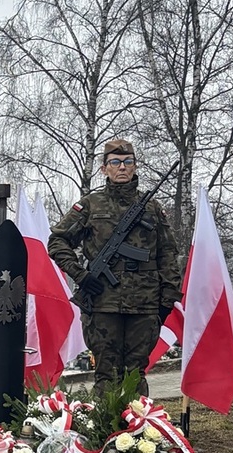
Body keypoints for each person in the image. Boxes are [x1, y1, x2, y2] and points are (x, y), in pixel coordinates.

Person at [48, 138, 182, 395]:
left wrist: (168, 299)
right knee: (106, 374)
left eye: (128, 162)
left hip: (144, 303)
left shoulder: (152, 208)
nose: (122, 167)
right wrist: (80, 275)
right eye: (115, 162)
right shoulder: (90, 205)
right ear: (104, 168)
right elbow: (57, 241)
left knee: (135, 374)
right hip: (102, 301)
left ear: (135, 166)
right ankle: (104, 420)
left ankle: (136, 421)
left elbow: (167, 254)